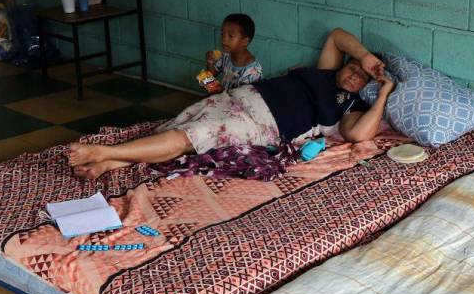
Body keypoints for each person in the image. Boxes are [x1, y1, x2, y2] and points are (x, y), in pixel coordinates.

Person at [69, 28, 395, 179]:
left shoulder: (348, 109)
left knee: (192, 137)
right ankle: (112, 164)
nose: (355, 75)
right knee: (181, 130)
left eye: (361, 77)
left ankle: (106, 153)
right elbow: (337, 35)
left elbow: (359, 136)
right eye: (353, 68)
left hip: (260, 125)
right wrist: (366, 58)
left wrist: (382, 90)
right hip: (241, 97)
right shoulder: (325, 71)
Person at [204, 13, 263, 91]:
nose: (224, 39)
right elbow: (212, 74)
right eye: (222, 34)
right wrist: (210, 62)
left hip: (239, 101)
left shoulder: (252, 71)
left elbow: (242, 99)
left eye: (230, 36)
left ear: (245, 41)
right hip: (224, 96)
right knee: (204, 79)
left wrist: (217, 91)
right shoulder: (226, 56)